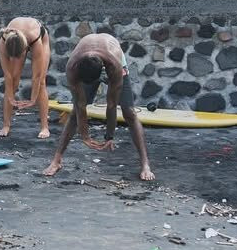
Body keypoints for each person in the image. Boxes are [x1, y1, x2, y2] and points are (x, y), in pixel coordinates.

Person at [43, 33, 155, 181]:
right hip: (89, 57)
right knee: (75, 113)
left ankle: (145, 165)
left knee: (129, 112)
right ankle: (56, 160)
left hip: (112, 56)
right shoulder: (72, 66)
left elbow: (111, 104)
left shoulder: (114, 65)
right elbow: (80, 105)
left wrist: (109, 136)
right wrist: (85, 136)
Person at [0, 17, 51, 139]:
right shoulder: (4, 39)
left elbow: (36, 77)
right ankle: (6, 125)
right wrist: (10, 97)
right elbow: (8, 75)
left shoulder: (35, 38)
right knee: (13, 80)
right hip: (17, 39)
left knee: (41, 82)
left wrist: (33, 100)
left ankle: (44, 127)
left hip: (39, 36)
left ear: (25, 48)